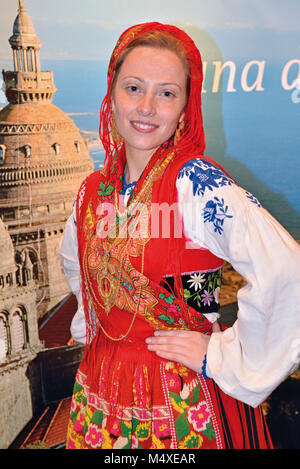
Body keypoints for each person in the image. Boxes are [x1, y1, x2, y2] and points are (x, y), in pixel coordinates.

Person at [60, 22, 300, 449]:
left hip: (183, 403)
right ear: (111, 95)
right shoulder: (91, 192)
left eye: (167, 93)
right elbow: (78, 271)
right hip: (99, 397)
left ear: (186, 107)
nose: (147, 106)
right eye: (134, 88)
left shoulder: (195, 183)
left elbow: (287, 272)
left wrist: (222, 356)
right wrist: (98, 337)